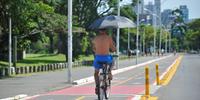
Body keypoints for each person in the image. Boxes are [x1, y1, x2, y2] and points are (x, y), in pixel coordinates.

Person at [92, 29, 116, 94]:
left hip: (98, 59)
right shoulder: (108, 38)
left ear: (99, 31)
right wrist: (112, 47)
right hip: (106, 58)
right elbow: (113, 49)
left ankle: (97, 86)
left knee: (96, 73)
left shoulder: (95, 38)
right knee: (112, 60)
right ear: (105, 31)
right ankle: (109, 72)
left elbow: (94, 49)